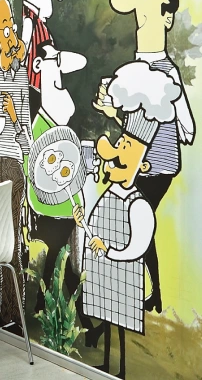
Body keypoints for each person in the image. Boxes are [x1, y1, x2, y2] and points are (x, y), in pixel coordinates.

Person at [94, 0, 195, 313]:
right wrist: (114, 111)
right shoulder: (135, 71)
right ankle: (150, 293)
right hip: (138, 162)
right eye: (140, 15)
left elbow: (188, 129)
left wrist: (167, 114)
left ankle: (145, 292)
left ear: (167, 20)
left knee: (137, 219)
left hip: (159, 165)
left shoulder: (167, 73)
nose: (142, 22)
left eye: (150, 13)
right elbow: (134, 126)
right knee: (137, 221)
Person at [77, 61, 180, 378]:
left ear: (142, 168)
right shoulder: (112, 194)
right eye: (119, 145)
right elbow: (98, 225)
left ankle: (121, 369)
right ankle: (108, 364)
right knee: (108, 314)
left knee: (120, 320)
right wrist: (82, 223)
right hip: (107, 273)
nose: (115, 152)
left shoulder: (138, 206)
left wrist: (109, 250)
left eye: (124, 148)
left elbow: (138, 245)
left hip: (122, 273)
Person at [24, 42, 89, 324]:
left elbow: (80, 61)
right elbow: (34, 168)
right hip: (51, 206)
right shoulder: (41, 125)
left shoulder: (56, 121)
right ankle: (79, 315)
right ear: (39, 66)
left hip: (65, 206)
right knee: (59, 258)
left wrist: (57, 58)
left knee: (58, 257)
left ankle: (49, 305)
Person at [0, 0, 31, 335]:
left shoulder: (21, 74)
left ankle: (17, 315)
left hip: (13, 165)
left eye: (10, 24)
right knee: (1, 240)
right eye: (2, 27)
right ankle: (5, 310)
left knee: (12, 242)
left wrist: (13, 117)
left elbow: (26, 140)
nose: (8, 31)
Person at [21, 0, 65, 120]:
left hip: (45, 85)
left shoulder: (42, 24)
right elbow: (24, 47)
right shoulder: (30, 18)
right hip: (33, 83)